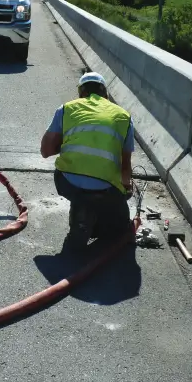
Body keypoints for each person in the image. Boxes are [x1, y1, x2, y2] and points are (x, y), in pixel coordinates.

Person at [40, 72, 134, 252]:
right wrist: (126, 188)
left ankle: (81, 213)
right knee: (121, 229)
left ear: (80, 92)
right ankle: (99, 215)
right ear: (105, 93)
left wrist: (67, 144)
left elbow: (45, 151)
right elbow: (125, 166)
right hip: (107, 188)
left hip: (69, 183)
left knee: (79, 190)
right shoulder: (124, 116)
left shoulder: (67, 109)